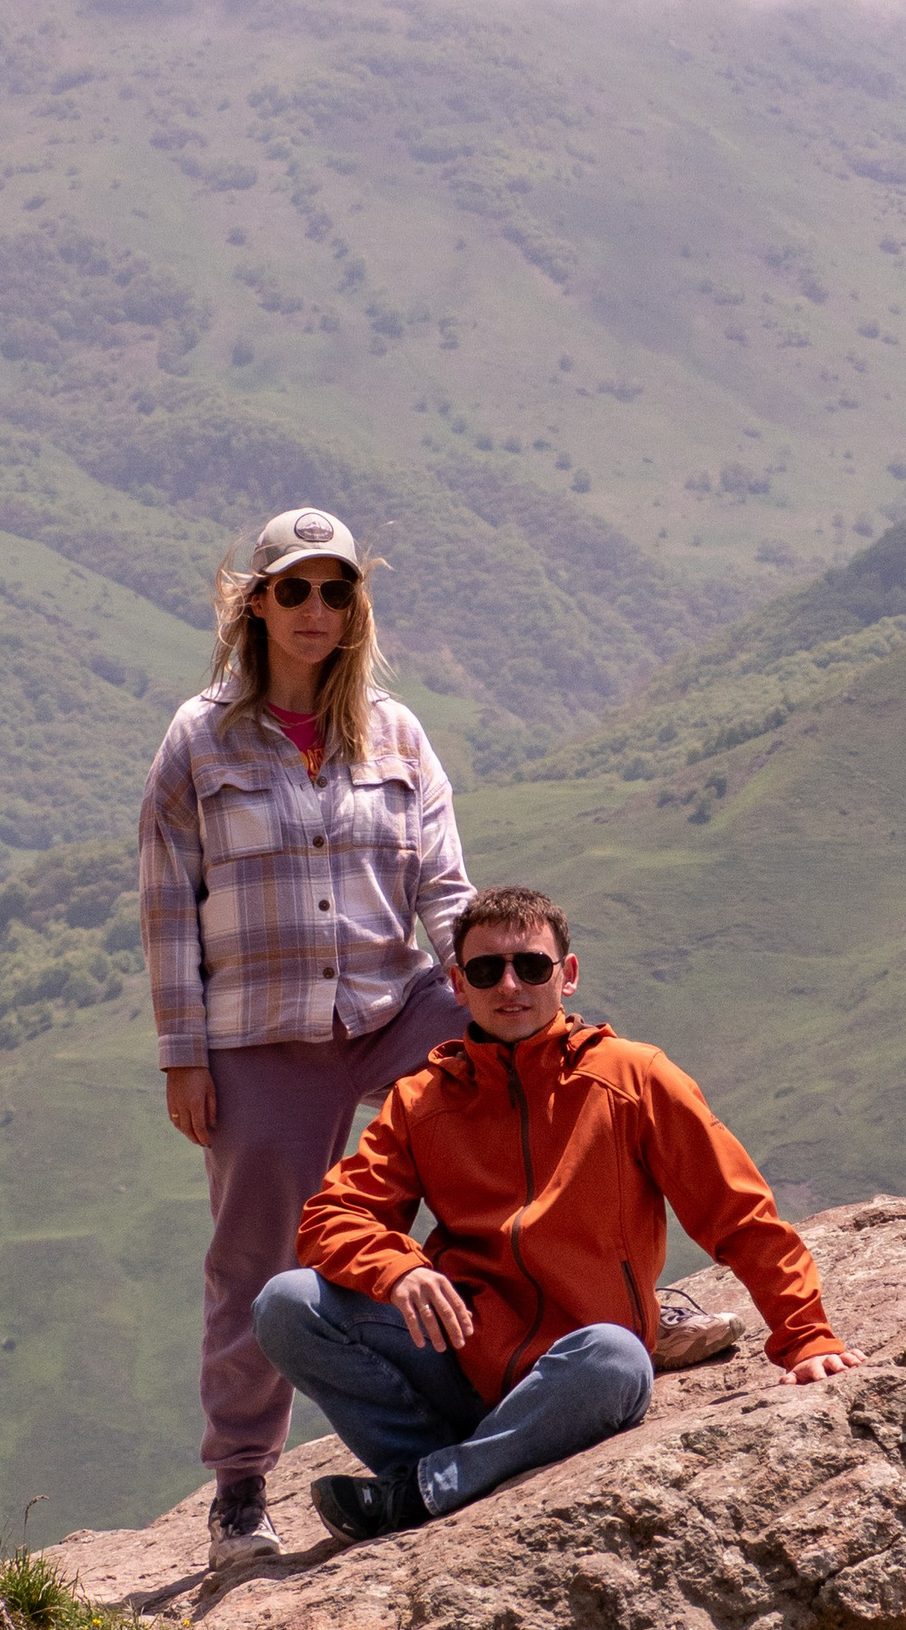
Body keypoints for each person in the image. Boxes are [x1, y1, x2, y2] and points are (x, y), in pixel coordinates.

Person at [251, 885, 867, 1541]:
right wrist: (397, 1268)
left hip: (578, 1374)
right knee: (286, 1303)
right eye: (485, 970)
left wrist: (806, 1336)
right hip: (460, 1362)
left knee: (618, 1357)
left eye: (531, 965)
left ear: (566, 975)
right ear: (458, 984)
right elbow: (333, 1216)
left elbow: (737, 1211)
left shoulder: (633, 1079)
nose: (509, 985)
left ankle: (424, 1488)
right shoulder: (421, 1101)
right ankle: (444, 1473)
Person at [139, 507, 471, 1575]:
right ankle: (241, 1485)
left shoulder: (397, 733)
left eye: (336, 589)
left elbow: (443, 886)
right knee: (256, 1255)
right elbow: (165, 904)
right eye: (294, 589)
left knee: (535, 1078)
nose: (315, 609)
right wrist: (183, 1053)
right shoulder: (201, 738)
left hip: (388, 1005)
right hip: (261, 1031)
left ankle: (605, 1304)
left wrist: (500, 981)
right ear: (256, 603)